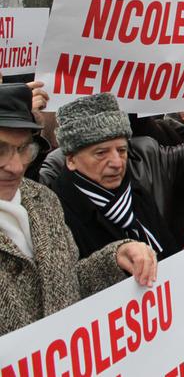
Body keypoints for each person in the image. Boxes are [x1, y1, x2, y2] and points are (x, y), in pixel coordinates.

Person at [40, 69, 184, 258]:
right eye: (101, 153)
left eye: (121, 150)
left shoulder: (144, 168)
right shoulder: (56, 204)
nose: (116, 163)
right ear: (71, 159)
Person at [0, 83, 157, 335]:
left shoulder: (43, 200)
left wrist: (114, 257)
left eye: (22, 150)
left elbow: (67, 287)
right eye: (0, 150)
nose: (16, 167)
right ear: (70, 159)